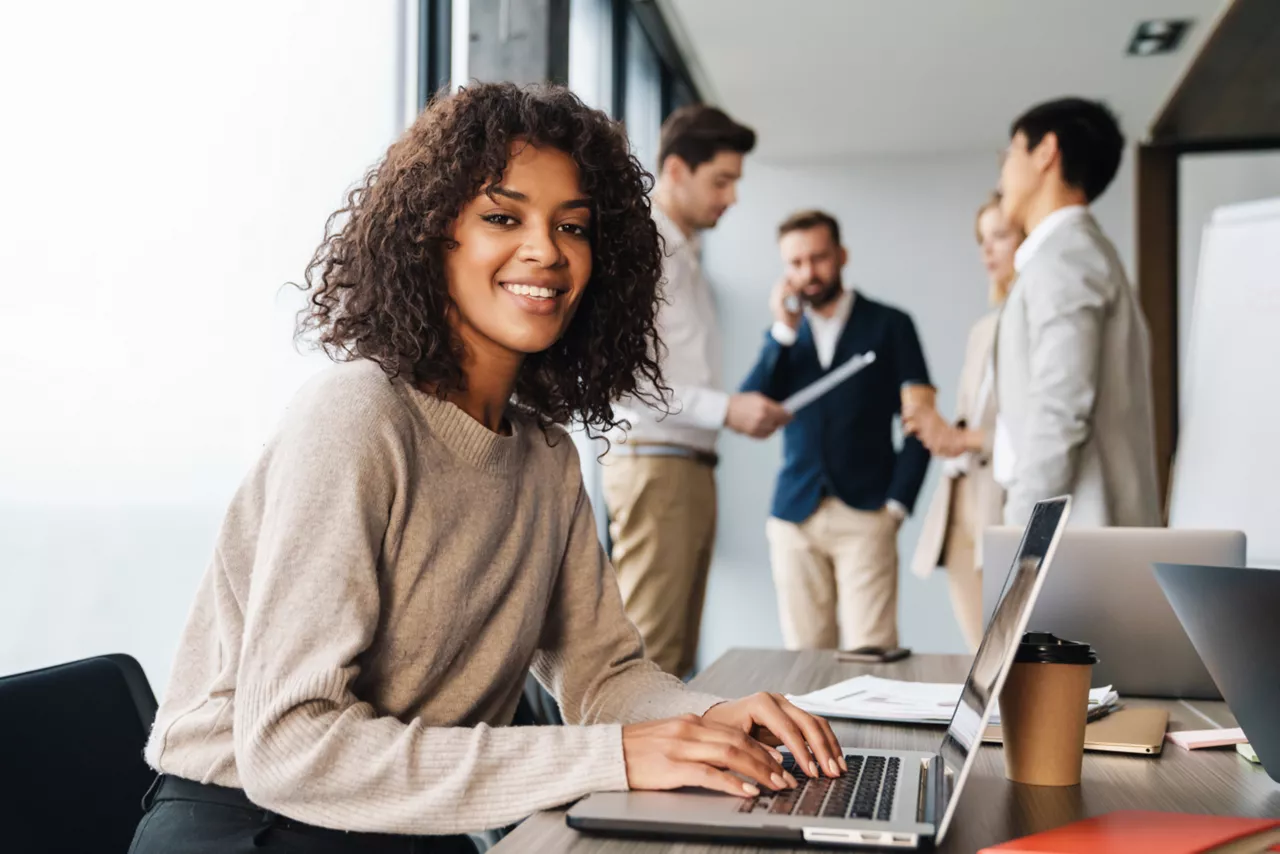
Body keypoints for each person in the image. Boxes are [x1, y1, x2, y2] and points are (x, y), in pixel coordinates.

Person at [129, 83, 845, 854]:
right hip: (253, 823)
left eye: (572, 226)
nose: (547, 249)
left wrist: (704, 719)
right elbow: (290, 745)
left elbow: (603, 676)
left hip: (410, 818)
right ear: (434, 237)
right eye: (503, 218)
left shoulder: (545, 457)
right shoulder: (356, 416)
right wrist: (612, 757)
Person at [604, 105, 788, 679]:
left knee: (675, 658)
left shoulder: (685, 254)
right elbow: (624, 379)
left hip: (685, 465)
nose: (731, 197)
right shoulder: (647, 250)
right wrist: (726, 408)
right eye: (722, 181)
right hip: (658, 464)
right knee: (650, 656)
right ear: (677, 171)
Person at [741, 210, 932, 651]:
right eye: (796, 263)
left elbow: (922, 421)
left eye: (819, 258)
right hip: (795, 515)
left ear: (841, 255)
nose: (808, 272)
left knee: (871, 652)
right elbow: (749, 408)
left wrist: (897, 505)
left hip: (867, 513)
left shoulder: (890, 325)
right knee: (805, 657)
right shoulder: (785, 337)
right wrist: (782, 333)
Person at [992, 97, 1161, 528]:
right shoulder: (1078, 254)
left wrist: (1018, 527)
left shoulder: (1065, 259)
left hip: (1075, 532)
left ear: (1046, 151)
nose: (1002, 174)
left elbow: (1060, 407)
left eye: (1010, 153)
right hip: (1083, 529)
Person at [906, 194, 1023, 651]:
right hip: (958, 507)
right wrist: (936, 429)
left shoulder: (1035, 325)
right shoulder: (984, 329)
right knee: (981, 655)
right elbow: (969, 422)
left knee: (1011, 656)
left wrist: (961, 437)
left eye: (1000, 236)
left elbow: (1040, 430)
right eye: (982, 239)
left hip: (1004, 503)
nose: (987, 251)